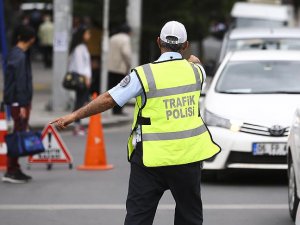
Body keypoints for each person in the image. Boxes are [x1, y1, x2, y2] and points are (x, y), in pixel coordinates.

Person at [51, 21, 221, 225]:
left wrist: (74, 116)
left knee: (138, 218)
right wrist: (193, 60)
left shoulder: (144, 75)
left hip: (150, 159)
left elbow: (108, 99)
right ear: (185, 45)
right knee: (190, 217)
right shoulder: (197, 73)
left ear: (159, 42)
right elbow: (196, 63)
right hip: (188, 158)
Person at [2, 25, 36, 183]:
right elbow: (20, 82)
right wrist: (23, 104)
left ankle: (15, 168)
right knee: (17, 135)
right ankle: (11, 170)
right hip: (18, 102)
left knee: (18, 133)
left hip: (17, 101)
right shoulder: (20, 56)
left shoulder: (15, 53)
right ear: (31, 39)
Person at [67, 27, 92, 136]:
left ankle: (78, 124)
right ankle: (76, 125)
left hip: (84, 78)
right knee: (80, 102)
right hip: (81, 79)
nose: (89, 35)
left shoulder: (82, 47)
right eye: (87, 33)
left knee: (81, 101)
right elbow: (79, 66)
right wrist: (86, 78)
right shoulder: (79, 48)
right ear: (82, 34)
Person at [107, 24, 132, 115]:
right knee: (122, 90)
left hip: (111, 67)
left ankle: (113, 109)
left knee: (113, 89)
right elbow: (126, 52)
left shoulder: (112, 38)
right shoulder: (125, 39)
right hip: (120, 68)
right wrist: (129, 64)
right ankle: (118, 110)